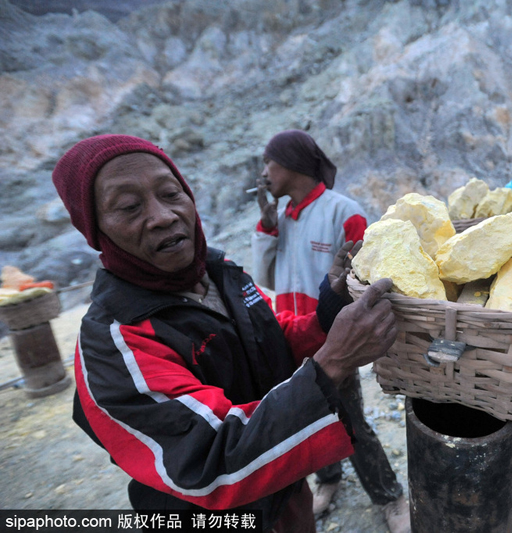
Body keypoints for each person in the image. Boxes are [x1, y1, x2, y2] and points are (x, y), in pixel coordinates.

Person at [52, 134, 397, 532]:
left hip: (283, 490)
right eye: (129, 207)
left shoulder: (221, 272)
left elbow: (273, 337)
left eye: (171, 193)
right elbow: (213, 460)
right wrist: (333, 360)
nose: (163, 216)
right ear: (95, 229)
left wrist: (329, 314)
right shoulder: (115, 342)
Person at [251, 130, 410, 533]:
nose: (264, 173)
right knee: (305, 414)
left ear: (291, 164)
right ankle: (329, 479)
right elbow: (264, 276)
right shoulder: (284, 217)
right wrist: (266, 227)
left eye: (269, 163)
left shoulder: (343, 211)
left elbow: (368, 275)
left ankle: (390, 496)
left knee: (348, 419)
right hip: (289, 334)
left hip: (332, 339)